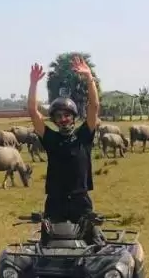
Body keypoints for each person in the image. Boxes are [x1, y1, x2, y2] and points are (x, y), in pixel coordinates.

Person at [26, 56, 102, 243]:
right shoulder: (51, 138)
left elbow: (94, 106)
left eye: (67, 115)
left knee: (95, 244)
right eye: (58, 116)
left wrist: (89, 77)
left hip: (80, 200)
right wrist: (33, 84)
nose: (63, 119)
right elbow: (32, 112)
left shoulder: (84, 136)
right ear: (54, 120)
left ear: (73, 117)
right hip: (55, 201)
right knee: (46, 246)